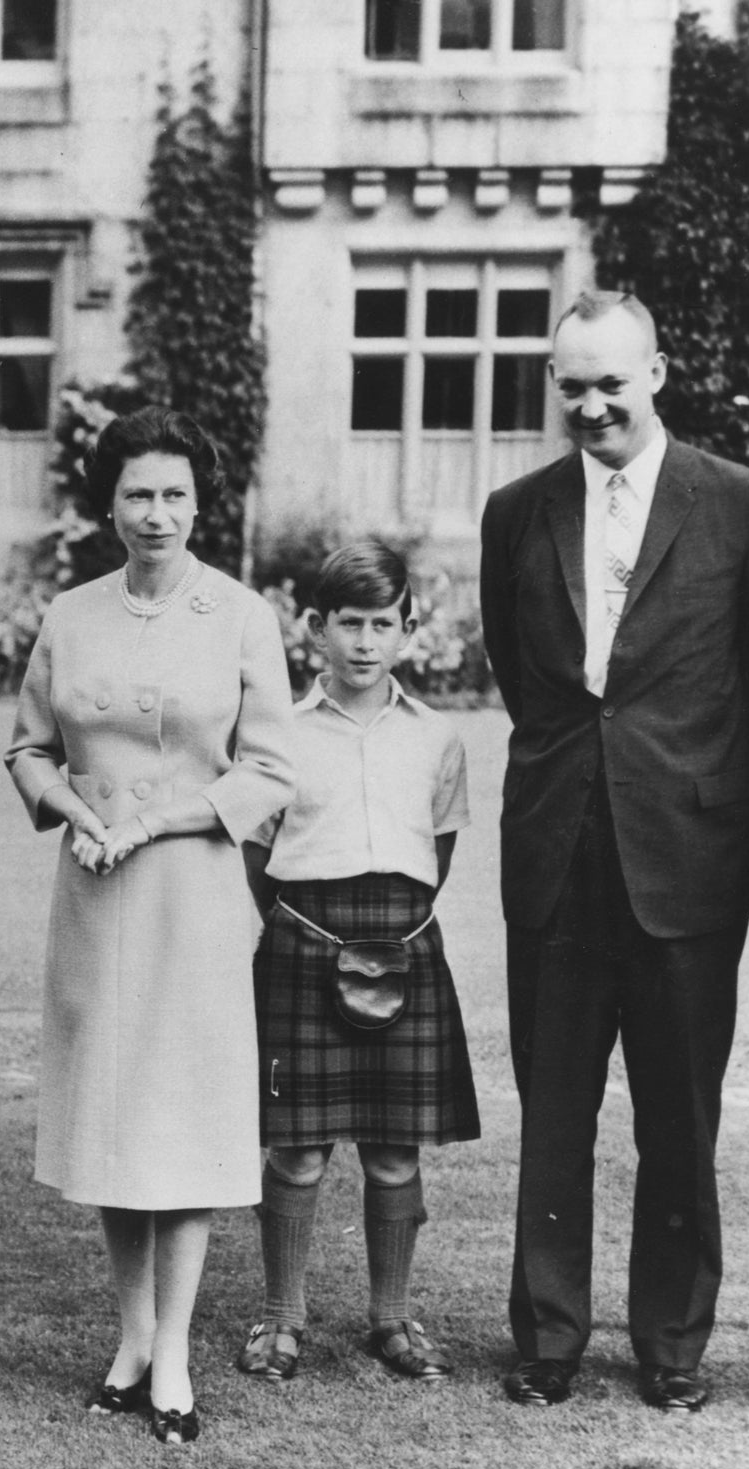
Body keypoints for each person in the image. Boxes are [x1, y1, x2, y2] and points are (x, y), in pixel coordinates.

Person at [479, 289, 749, 1412]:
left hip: (685, 857)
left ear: (656, 372)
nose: (590, 404)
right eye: (569, 385)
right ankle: (548, 1340)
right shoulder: (513, 511)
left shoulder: (742, 504)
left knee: (679, 1116)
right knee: (553, 1112)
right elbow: (526, 682)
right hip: (555, 855)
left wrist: (685, 783)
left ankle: (670, 1345)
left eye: (610, 382)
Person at [5, 407, 294, 1445]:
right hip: (92, 893)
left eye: (174, 494)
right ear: (109, 503)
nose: (156, 513)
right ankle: (129, 1338)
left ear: (199, 502)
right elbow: (28, 748)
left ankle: (172, 1351)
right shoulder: (72, 613)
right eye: (137, 493)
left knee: (181, 1120)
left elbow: (268, 769)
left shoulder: (239, 615)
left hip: (192, 894)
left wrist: (153, 822)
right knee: (113, 1122)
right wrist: (80, 813)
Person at [235, 540, 480, 1386]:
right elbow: (257, 859)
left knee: (393, 1150)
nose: (366, 642)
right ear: (315, 629)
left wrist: (388, 928)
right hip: (306, 938)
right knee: (298, 1150)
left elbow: (438, 850)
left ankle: (391, 1317)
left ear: (407, 629)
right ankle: (281, 1318)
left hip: (403, 942)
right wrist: (311, 930)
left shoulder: (438, 736)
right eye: (350, 623)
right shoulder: (279, 733)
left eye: (384, 623)